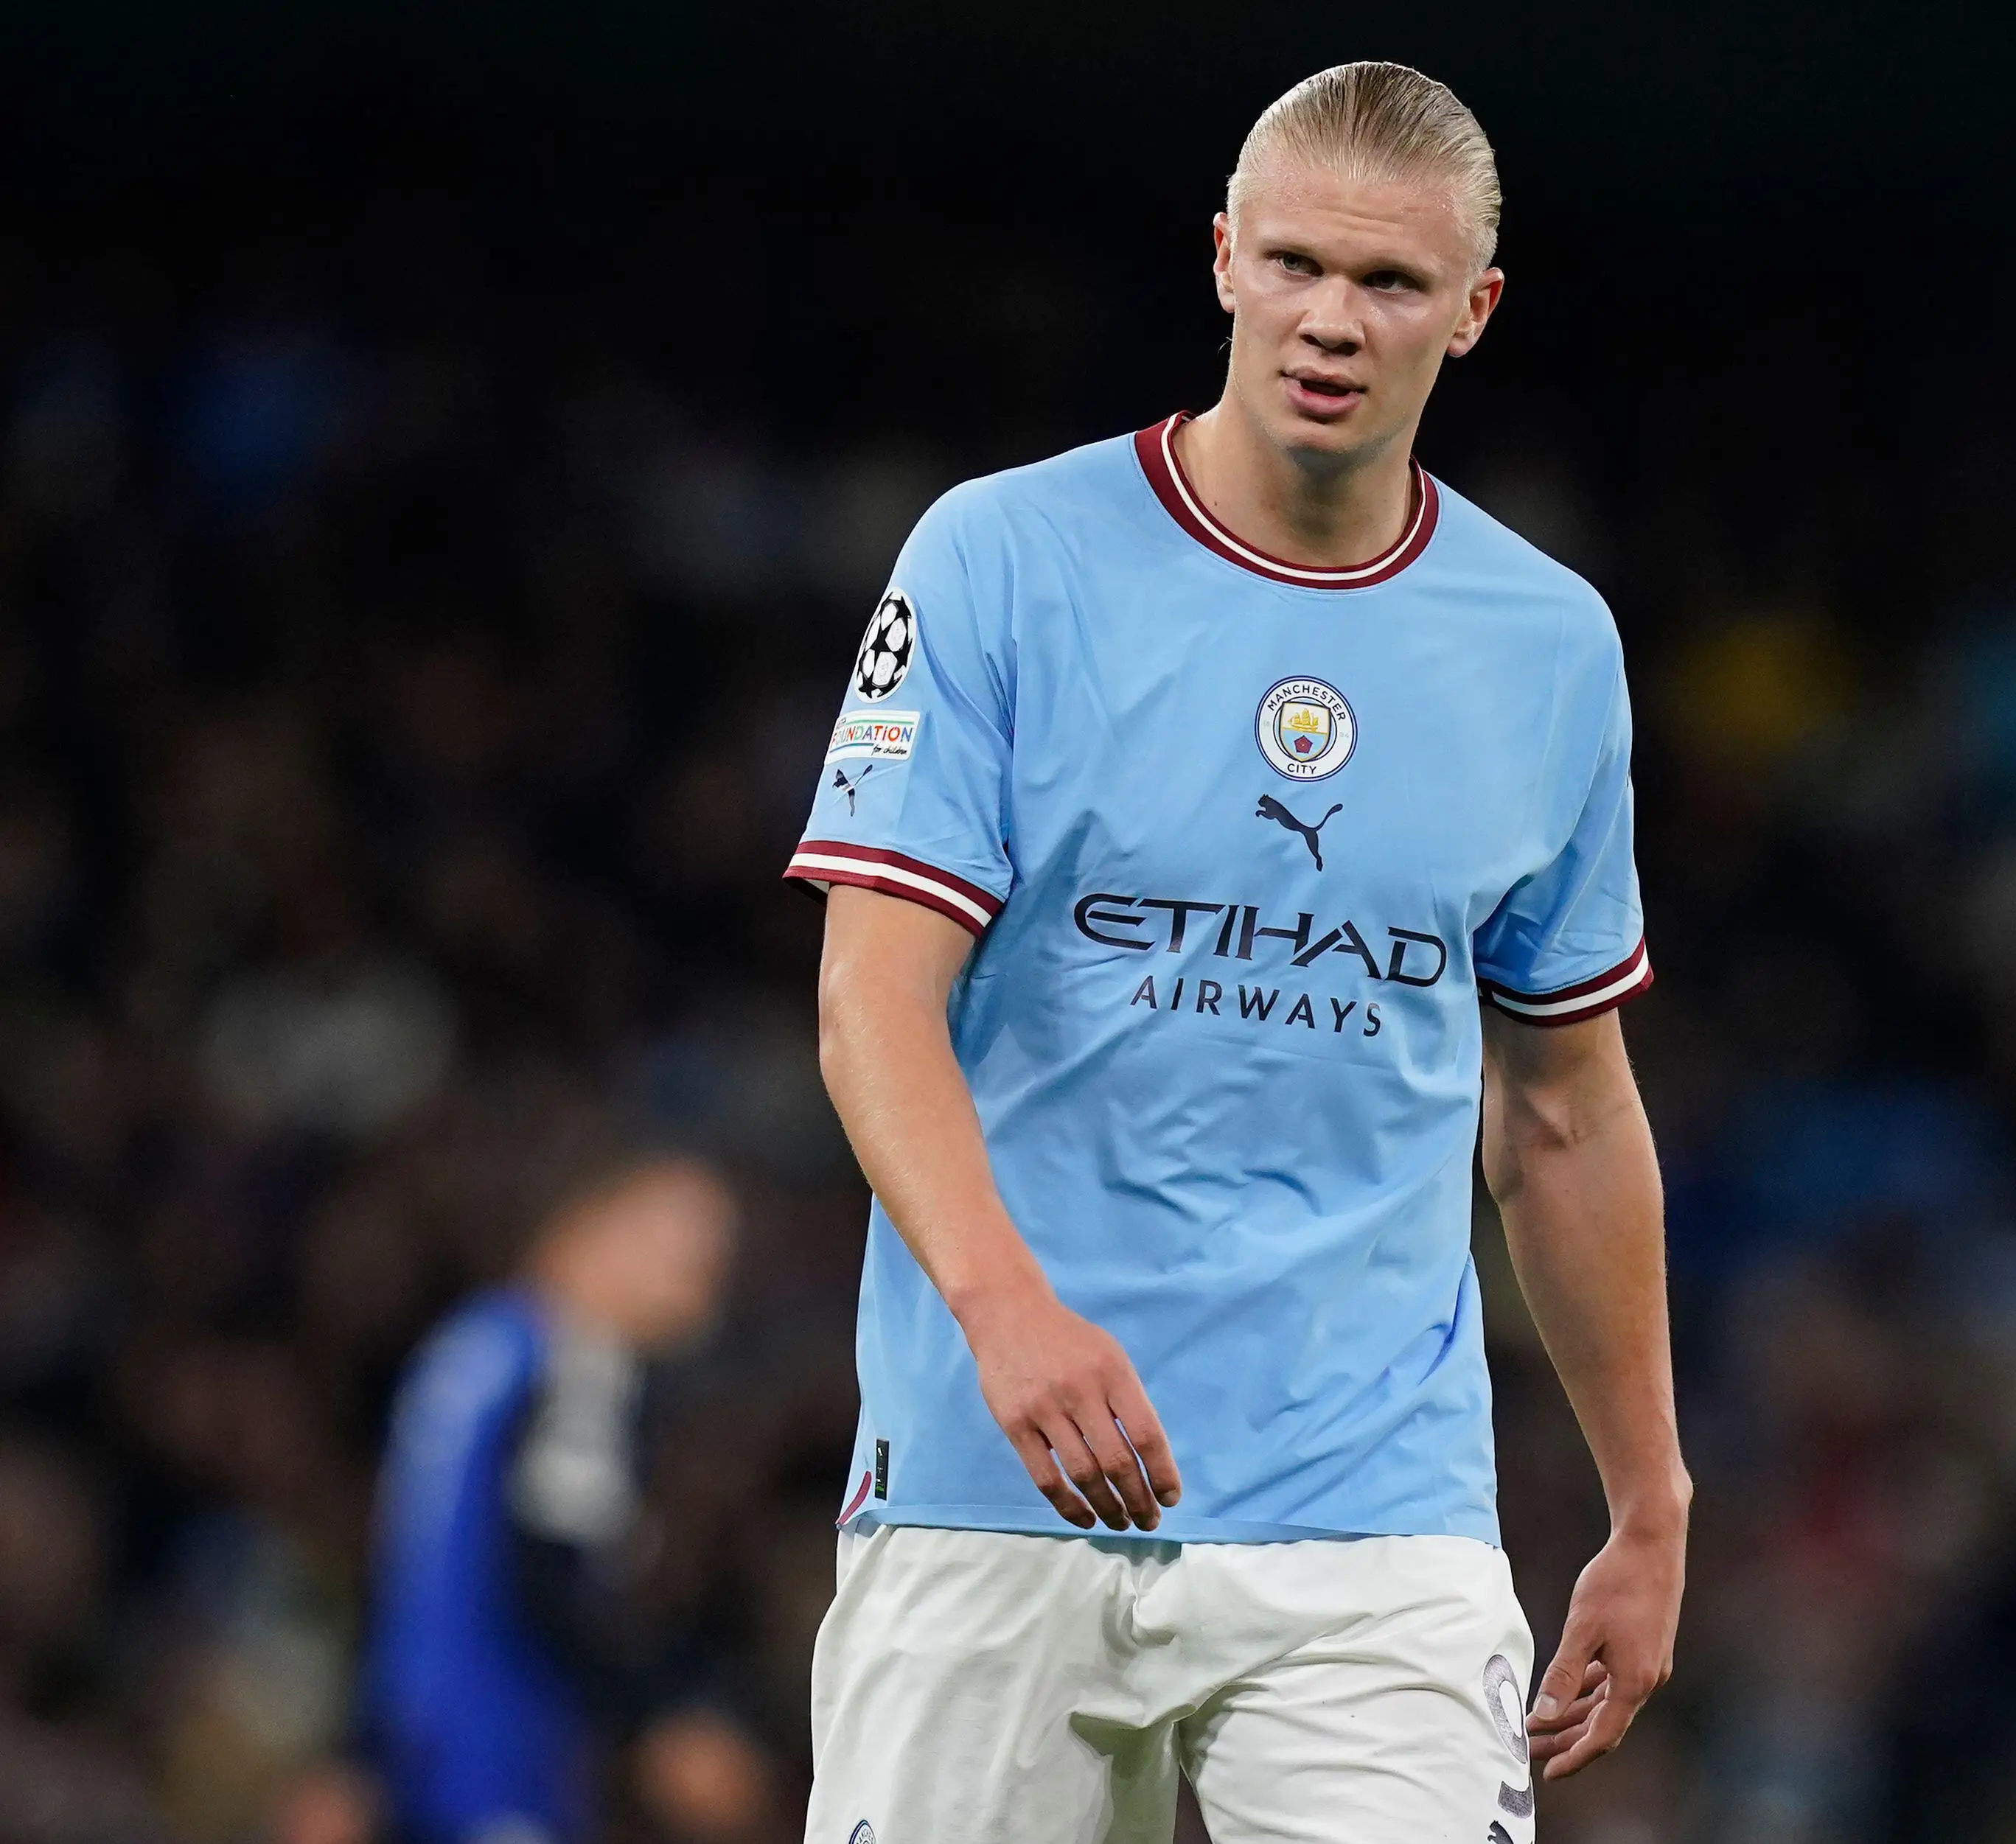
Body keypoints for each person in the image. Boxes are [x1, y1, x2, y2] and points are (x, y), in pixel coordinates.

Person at [789, 61, 1687, 1843]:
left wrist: (1645, 1501)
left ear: (1473, 312)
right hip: (995, 1478)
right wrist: (1004, 1308)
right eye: (1289, 264)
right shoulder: (1000, 560)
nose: (1327, 321)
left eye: (1385, 284)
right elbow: (872, 989)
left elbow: (1565, 1110)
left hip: (1372, 1517)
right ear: (1217, 261)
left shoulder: (1545, 646)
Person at [358, 1152, 770, 1844]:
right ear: (588, 1227)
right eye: (679, 1245)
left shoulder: (471, 1347)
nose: (705, 1278)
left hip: (418, 1760)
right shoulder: (577, 1363)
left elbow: (407, 1567)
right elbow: (557, 1566)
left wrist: (359, 1755)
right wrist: (663, 1713)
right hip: (502, 1765)